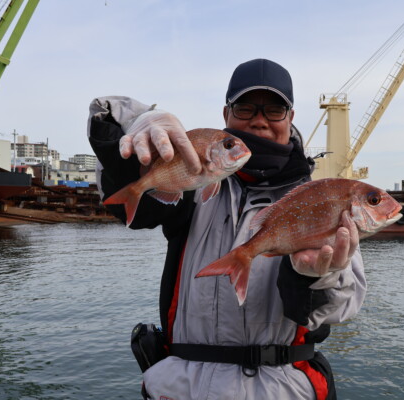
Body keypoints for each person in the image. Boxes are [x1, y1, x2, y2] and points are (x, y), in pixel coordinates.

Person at [87, 58, 366, 400]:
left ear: (290, 118)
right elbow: (115, 167)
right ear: (226, 115)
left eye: (275, 109)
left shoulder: (318, 198)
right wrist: (139, 121)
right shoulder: (191, 182)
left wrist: (318, 277)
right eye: (246, 107)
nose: (260, 120)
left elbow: (339, 310)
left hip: (280, 390)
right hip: (181, 389)